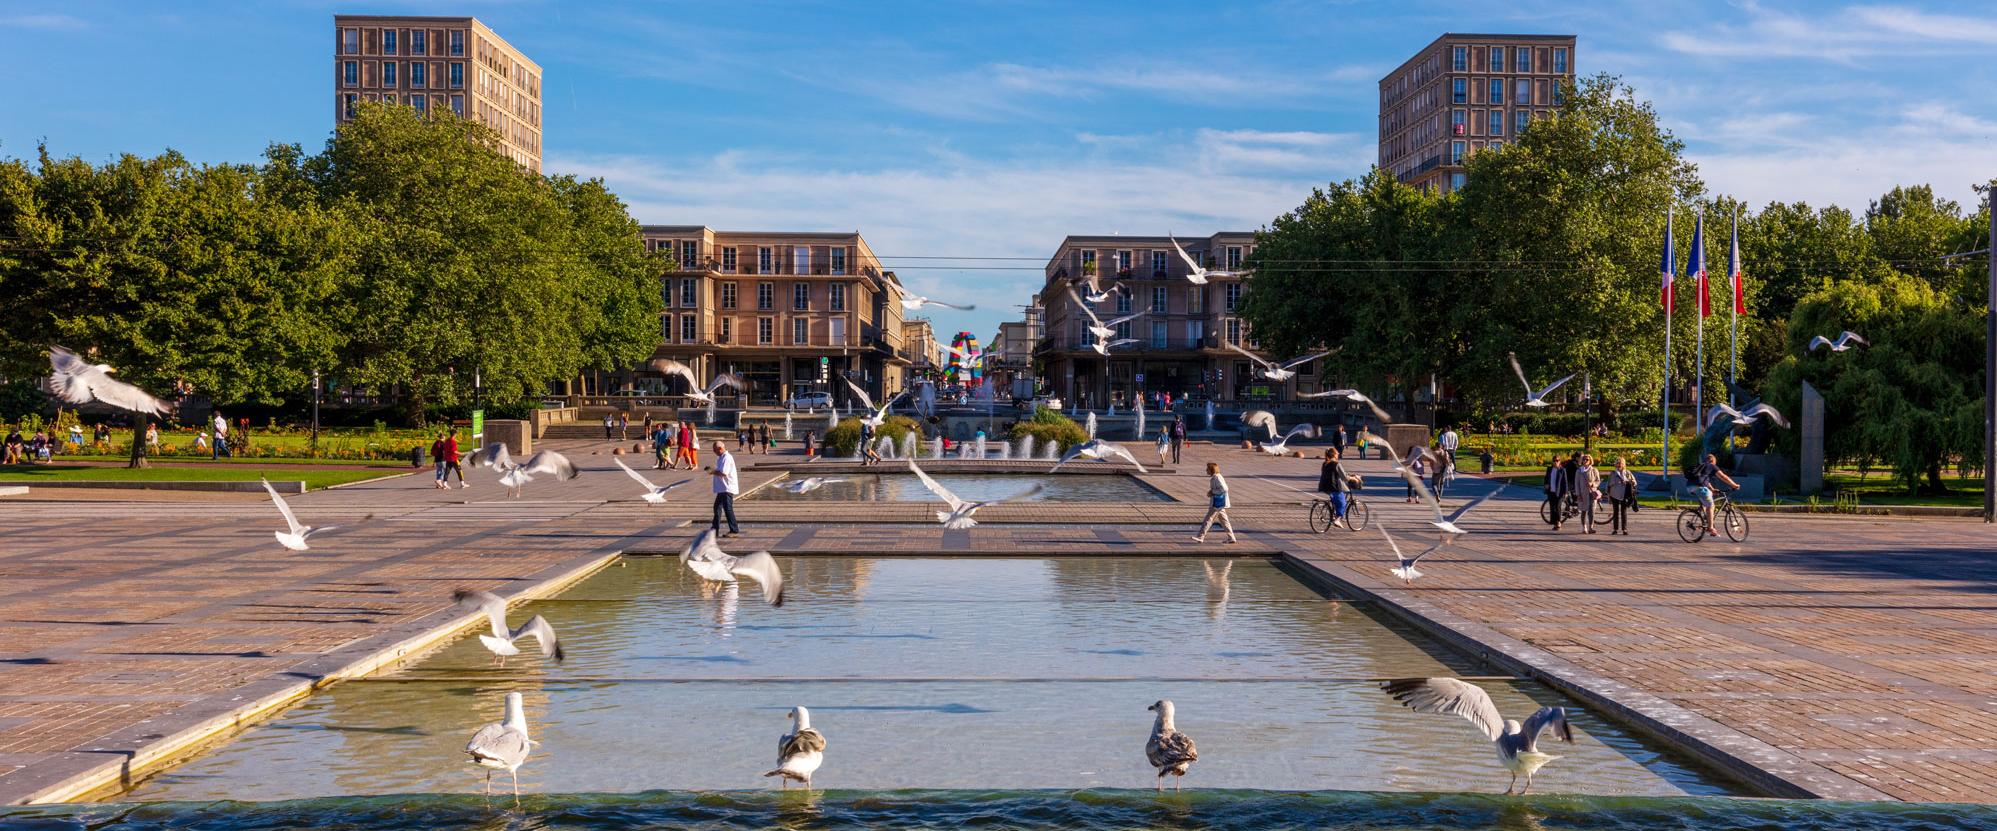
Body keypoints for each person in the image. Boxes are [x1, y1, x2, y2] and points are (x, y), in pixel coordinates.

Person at [1687, 452, 1740, 537]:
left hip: (1690, 487)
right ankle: (1710, 528)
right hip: (1699, 487)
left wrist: (1712, 489)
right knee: (1711, 506)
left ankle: (1702, 519)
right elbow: (1723, 477)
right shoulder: (1712, 466)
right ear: (1713, 461)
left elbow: (1705, 481)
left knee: (1707, 499)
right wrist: (1734, 485)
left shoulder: (1703, 466)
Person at [1193, 462, 1238, 544]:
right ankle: (1231, 538)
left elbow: (1224, 489)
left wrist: (1213, 492)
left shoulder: (1217, 477)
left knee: (1208, 519)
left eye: (1207, 469)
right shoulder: (1215, 477)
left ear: (1211, 470)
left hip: (1218, 503)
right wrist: (1212, 491)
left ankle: (1200, 537)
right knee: (1224, 521)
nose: (1206, 470)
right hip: (1220, 504)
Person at [1317, 447, 1359, 529]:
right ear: (1334, 455)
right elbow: (1345, 477)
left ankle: (1333, 514)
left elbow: (1337, 474)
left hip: (1324, 486)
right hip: (1333, 487)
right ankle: (1337, 519)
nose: (1338, 455)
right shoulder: (1336, 464)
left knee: (1336, 500)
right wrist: (1354, 478)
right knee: (1342, 503)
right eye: (1337, 453)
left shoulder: (1325, 463)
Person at [708, 440, 741, 536]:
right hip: (722, 488)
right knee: (717, 508)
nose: (714, 452)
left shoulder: (726, 458)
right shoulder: (722, 457)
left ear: (720, 448)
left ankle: (734, 530)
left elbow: (723, 473)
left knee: (728, 509)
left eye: (715, 450)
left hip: (727, 488)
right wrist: (713, 471)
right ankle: (714, 529)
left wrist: (712, 471)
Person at [1605, 456, 1638, 535]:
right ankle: (1615, 529)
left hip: (1624, 495)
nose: (1619, 465)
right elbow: (1608, 485)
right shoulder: (1613, 473)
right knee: (1615, 512)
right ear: (1615, 464)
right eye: (1618, 463)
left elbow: (1634, 482)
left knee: (1624, 512)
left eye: (1621, 463)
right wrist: (1608, 495)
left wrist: (1627, 481)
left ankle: (1624, 529)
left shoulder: (1627, 473)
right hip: (1614, 494)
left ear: (1624, 464)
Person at [1574, 453, 1602, 534]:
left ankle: (1591, 527)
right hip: (1582, 494)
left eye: (1587, 459)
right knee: (1583, 511)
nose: (1585, 461)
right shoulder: (1579, 471)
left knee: (1591, 511)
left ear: (1590, 461)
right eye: (1584, 459)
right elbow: (1577, 484)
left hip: (1592, 493)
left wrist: (1593, 484)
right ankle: (1584, 527)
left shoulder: (1594, 470)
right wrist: (1578, 494)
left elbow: (1598, 480)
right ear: (1582, 461)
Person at [1543, 456, 1567, 529]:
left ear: (1560, 461)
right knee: (1552, 508)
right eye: (1554, 461)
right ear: (1552, 462)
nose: (1556, 462)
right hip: (1551, 491)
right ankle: (1554, 523)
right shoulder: (1549, 469)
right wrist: (1546, 484)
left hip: (1559, 492)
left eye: (1557, 461)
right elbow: (1546, 478)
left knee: (1558, 507)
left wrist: (1565, 492)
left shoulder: (1562, 470)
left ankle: (1558, 522)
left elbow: (1565, 482)